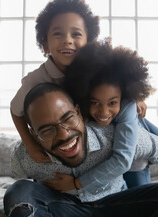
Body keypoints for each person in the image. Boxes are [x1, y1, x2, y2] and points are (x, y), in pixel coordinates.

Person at [4, 83, 158, 217]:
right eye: (47, 130)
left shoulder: (113, 136)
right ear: (33, 135)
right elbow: (17, 174)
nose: (64, 135)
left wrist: (131, 139)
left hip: (115, 208)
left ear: (79, 112)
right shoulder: (25, 156)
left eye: (68, 118)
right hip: (65, 211)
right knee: (18, 191)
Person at [10, 0, 147, 163]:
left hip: (118, 129)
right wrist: (30, 144)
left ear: (88, 42)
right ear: (45, 45)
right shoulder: (36, 80)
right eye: (58, 34)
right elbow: (15, 110)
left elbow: (121, 76)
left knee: (149, 140)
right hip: (75, 144)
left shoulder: (97, 65)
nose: (67, 40)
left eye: (76, 34)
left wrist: (137, 97)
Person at [61, 40, 158, 189]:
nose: (104, 112)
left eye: (112, 103)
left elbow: (123, 160)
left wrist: (77, 184)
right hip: (103, 165)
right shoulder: (78, 108)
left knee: (141, 205)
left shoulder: (128, 106)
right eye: (95, 102)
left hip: (134, 164)